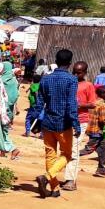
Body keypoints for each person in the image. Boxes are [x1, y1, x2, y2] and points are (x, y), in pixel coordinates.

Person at [34, 49, 79, 199]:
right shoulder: (72, 80)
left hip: (47, 122)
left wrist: (35, 120)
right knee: (66, 155)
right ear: (70, 62)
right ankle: (47, 177)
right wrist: (76, 124)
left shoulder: (45, 79)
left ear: (56, 60)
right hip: (64, 123)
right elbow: (71, 104)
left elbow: (39, 102)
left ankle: (55, 189)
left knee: (50, 155)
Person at [63, 61, 96, 191]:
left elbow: (92, 104)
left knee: (74, 149)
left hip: (81, 121)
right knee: (66, 148)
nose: (76, 74)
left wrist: (79, 105)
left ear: (85, 72)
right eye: (75, 72)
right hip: (67, 120)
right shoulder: (69, 83)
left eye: (79, 72)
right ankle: (67, 177)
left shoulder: (88, 86)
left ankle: (71, 180)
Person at [80, 86, 105, 177]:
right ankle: (68, 157)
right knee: (88, 150)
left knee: (103, 148)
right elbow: (102, 120)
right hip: (97, 131)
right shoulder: (102, 105)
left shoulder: (93, 103)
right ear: (103, 94)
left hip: (91, 129)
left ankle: (101, 169)